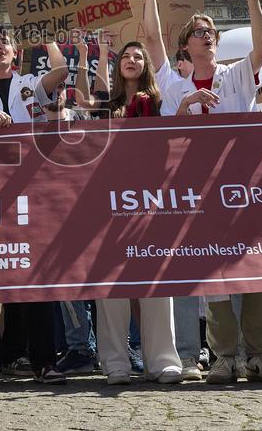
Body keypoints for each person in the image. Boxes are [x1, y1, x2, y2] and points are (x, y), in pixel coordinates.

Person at [148, 0, 262, 384]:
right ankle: (225, 355)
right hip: (199, 190)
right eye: (198, 31)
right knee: (214, 274)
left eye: (210, 29)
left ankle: (258, 354)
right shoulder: (176, 87)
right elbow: (153, 43)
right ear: (186, 45)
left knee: (252, 269)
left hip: (242, 186)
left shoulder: (235, 76)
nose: (206, 34)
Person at [0, 29, 69, 385]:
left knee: (36, 276)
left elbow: (63, 72)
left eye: (4, 42)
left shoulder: (31, 84)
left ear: (16, 52)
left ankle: (44, 361)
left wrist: (48, 37)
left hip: (30, 190)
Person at [74, 26, 183, 386]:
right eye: (126, 57)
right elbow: (86, 96)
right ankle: (115, 362)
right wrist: (95, 53)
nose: (132, 60)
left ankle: (162, 360)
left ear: (147, 65)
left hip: (151, 200)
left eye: (138, 56)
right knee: (112, 285)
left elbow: (175, 135)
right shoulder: (108, 106)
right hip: (109, 200)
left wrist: (187, 105)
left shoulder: (159, 101)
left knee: (155, 281)